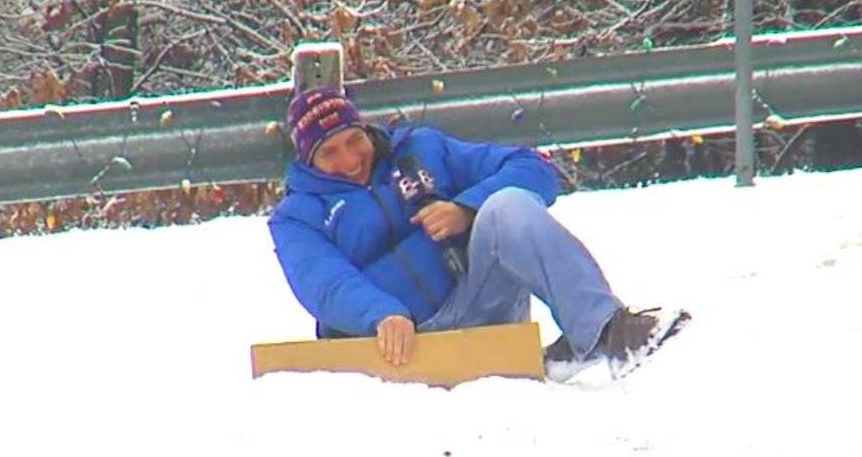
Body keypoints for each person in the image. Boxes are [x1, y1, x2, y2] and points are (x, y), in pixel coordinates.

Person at [267, 86, 690, 382]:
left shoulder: (422, 148)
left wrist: (465, 209)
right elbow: (323, 283)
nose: (349, 159)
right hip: (394, 341)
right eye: (329, 153)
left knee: (509, 205)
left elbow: (534, 169)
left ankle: (603, 333)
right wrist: (382, 314)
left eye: (353, 141)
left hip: (476, 303)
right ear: (308, 160)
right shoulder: (295, 216)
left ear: (365, 130)